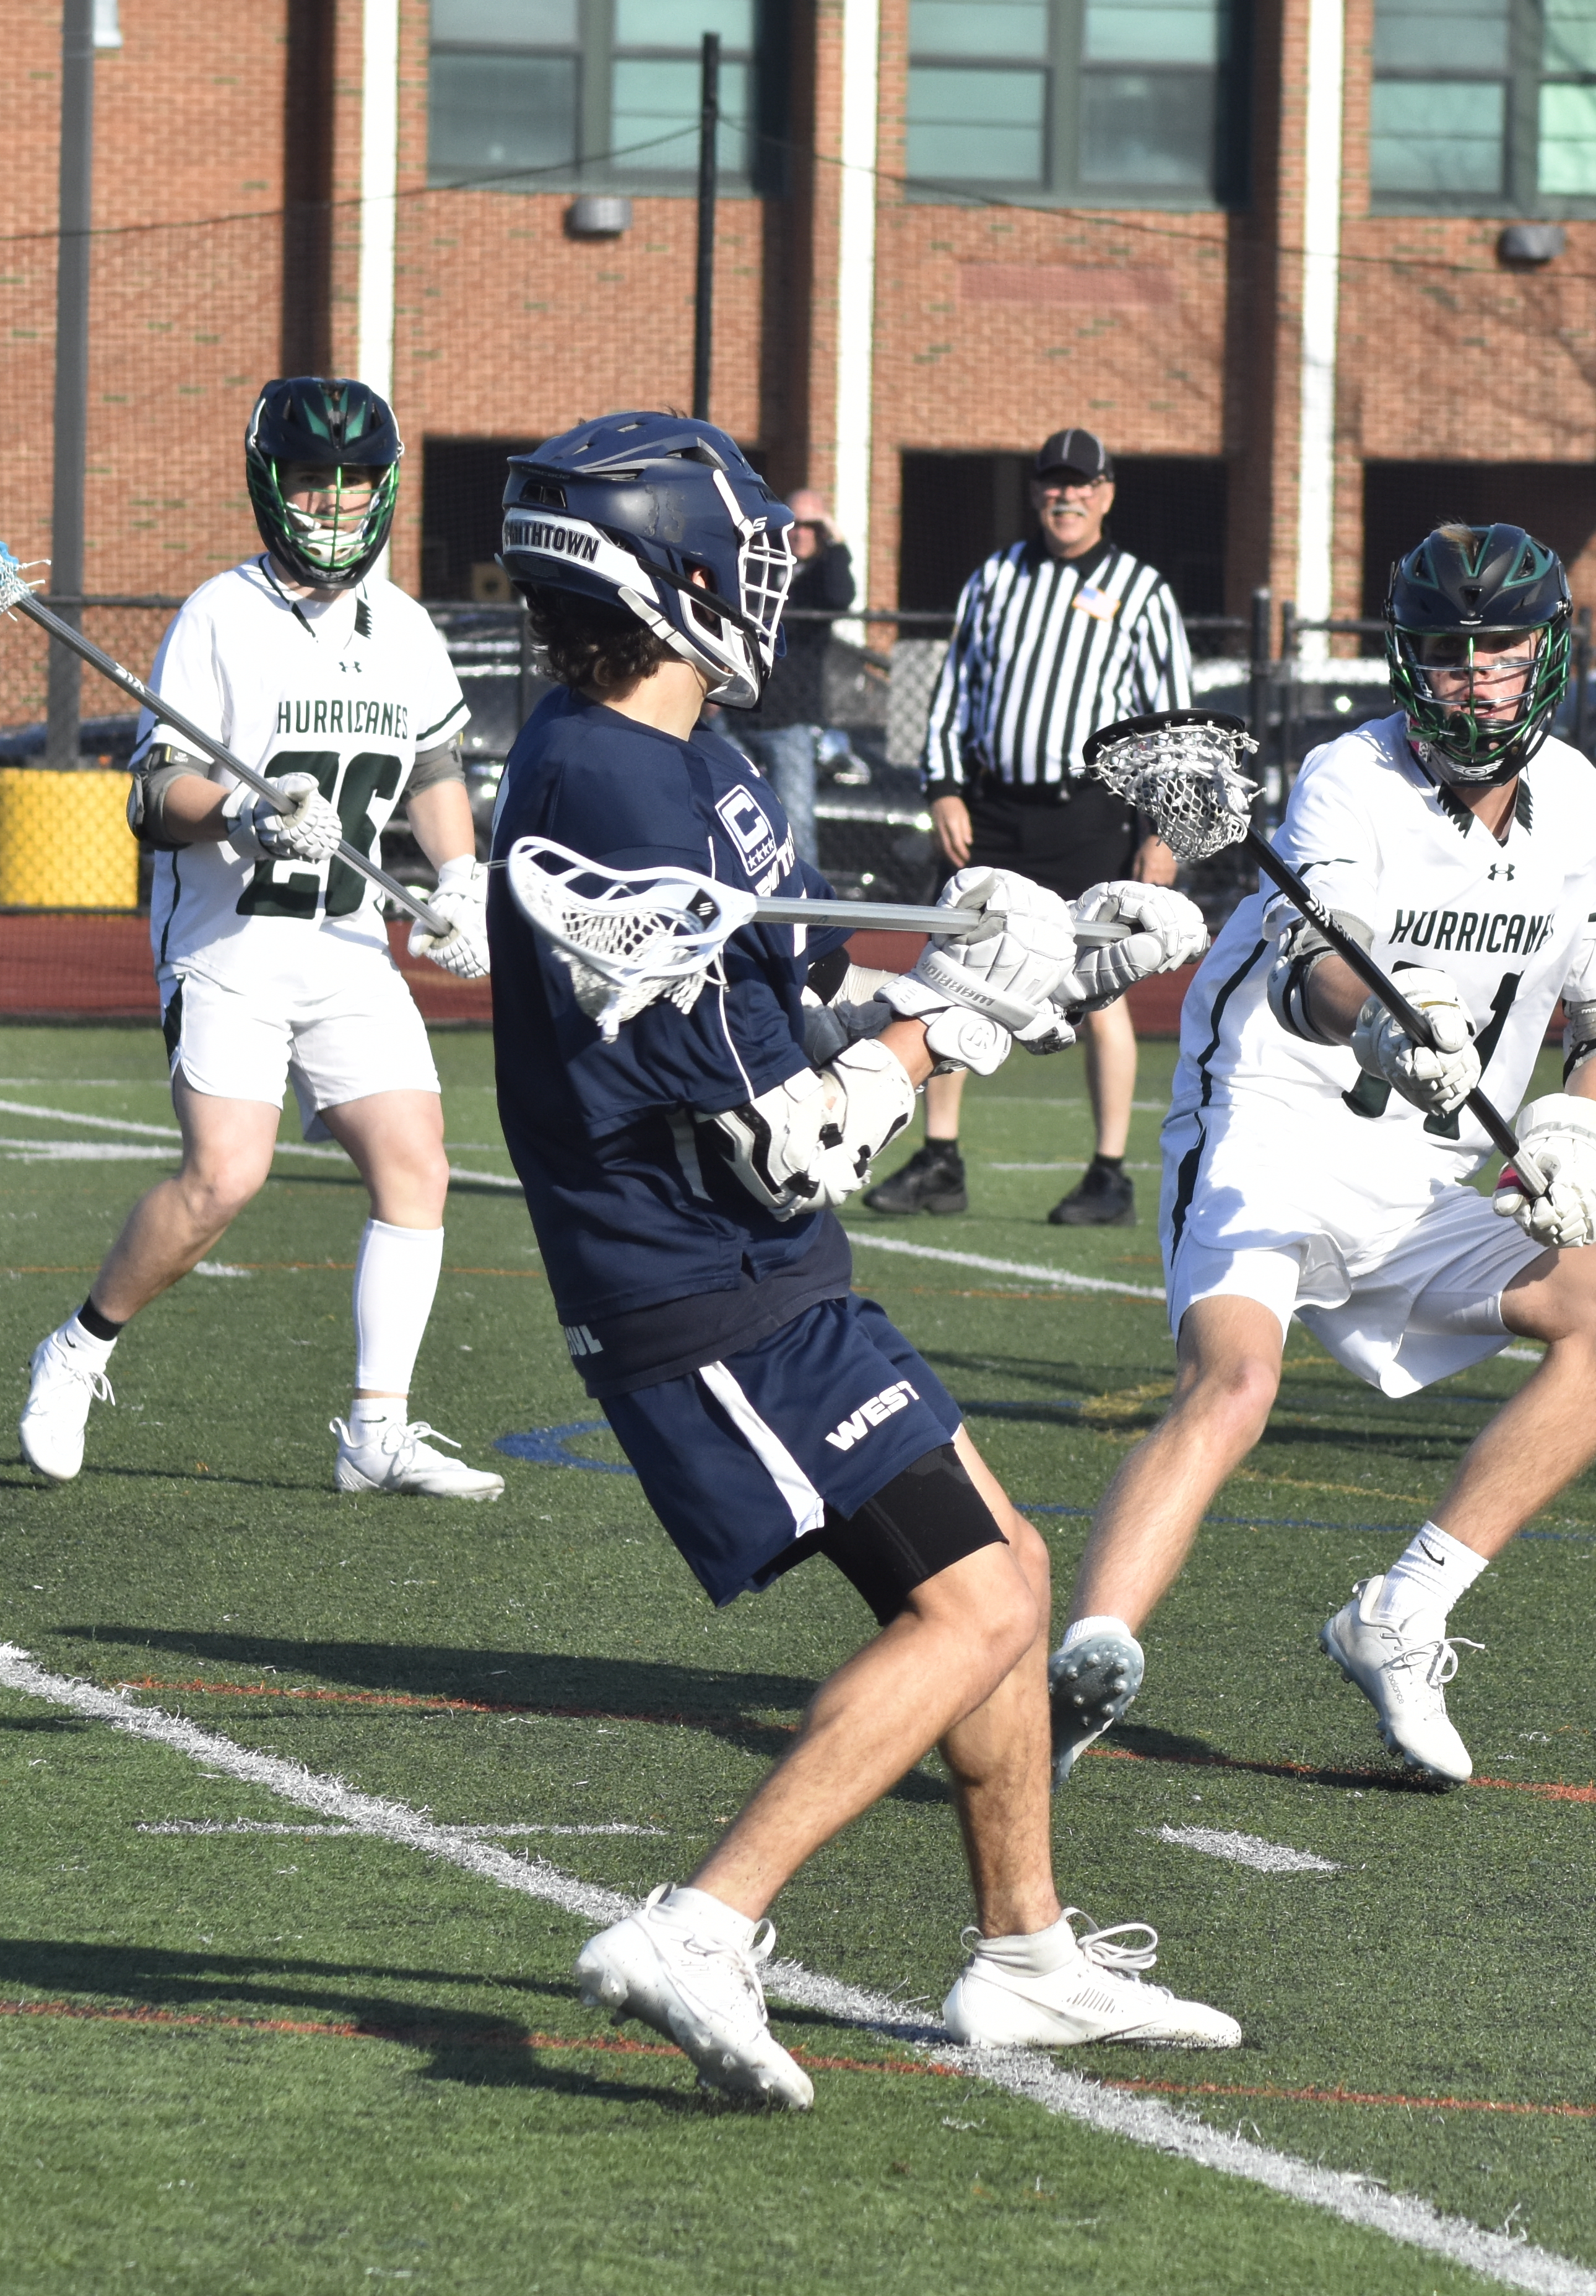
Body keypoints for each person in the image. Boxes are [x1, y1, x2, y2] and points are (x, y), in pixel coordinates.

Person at [487, 409, 1230, 2106]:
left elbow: (795, 1026)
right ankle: (706, 1920)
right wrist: (964, 1012)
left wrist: (1023, 972)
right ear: (666, 573)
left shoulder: (695, 758)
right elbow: (788, 1133)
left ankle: (1026, 1957)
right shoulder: (602, 766)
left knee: (1015, 1574)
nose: (771, 581)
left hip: (768, 1261)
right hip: (695, 1275)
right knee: (972, 1612)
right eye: (745, 553)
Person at [1047, 525, 1596, 1789]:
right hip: (1270, 1125)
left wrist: (1580, 1128)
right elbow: (1312, 966)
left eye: (1502, 648)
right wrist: (1399, 1034)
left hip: (1419, 1174)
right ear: (1409, 664)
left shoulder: (1583, 802)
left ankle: (1401, 1611)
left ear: (1548, 655)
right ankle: (1086, 1663)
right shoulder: (1353, 774)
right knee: (1235, 1382)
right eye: (1447, 654)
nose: (1476, 678)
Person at [12, 376, 501, 1499]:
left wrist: (462, 878)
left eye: (354, 486)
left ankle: (377, 1429)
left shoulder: (408, 627)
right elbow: (151, 798)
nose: (332, 507)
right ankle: (80, 1348)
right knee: (224, 1180)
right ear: (269, 486)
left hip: (346, 948)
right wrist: (239, 806)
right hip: (228, 948)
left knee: (416, 1166)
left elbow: (431, 765)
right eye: (310, 484)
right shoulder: (219, 616)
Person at [871, 427, 1191, 1228]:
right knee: (955, 968)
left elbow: (1173, 722)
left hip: (1089, 814)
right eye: (1052, 483)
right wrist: (944, 789)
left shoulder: (1140, 589)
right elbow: (953, 696)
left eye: (1081, 484)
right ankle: (939, 1157)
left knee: (1098, 989)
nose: (1066, 496)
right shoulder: (994, 579)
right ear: (1036, 493)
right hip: (994, 811)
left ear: (1107, 494)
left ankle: (1109, 1170)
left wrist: (1168, 829)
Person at [732, 487, 857, 871]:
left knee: (797, 825)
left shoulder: (822, 577)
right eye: (794, 524)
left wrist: (836, 541)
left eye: (811, 525)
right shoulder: (763, 567)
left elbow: (841, 597)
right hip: (737, 716)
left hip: (791, 723)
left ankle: (805, 913)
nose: (801, 533)